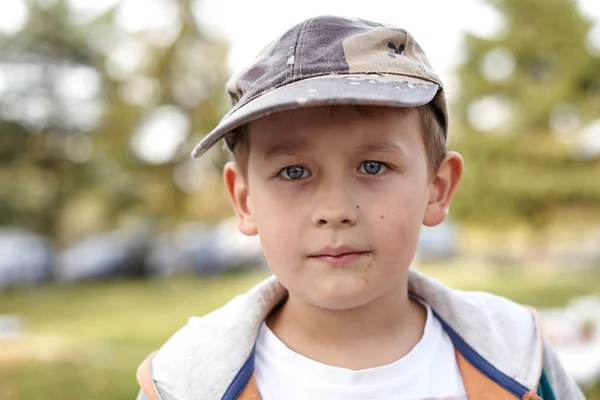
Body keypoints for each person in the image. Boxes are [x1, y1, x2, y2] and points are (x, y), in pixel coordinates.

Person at [135, 15, 583, 400]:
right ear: (244, 201)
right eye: (293, 172)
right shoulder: (182, 383)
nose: (334, 210)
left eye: (372, 166)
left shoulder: (519, 356)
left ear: (437, 189)